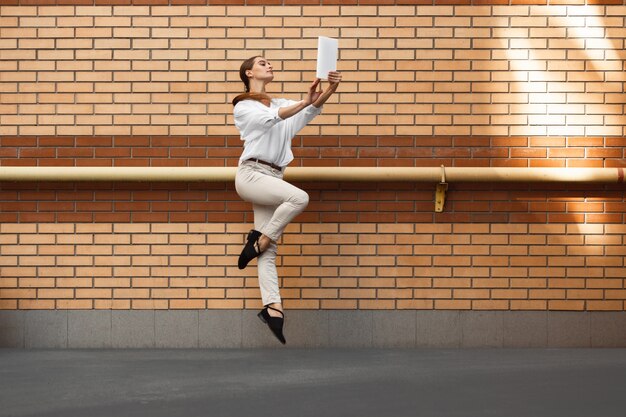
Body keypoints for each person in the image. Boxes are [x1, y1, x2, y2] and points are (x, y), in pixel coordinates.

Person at [232, 56, 342, 344]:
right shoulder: (244, 106)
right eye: (263, 63)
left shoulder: (280, 102)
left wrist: (328, 90)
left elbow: (308, 111)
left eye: (270, 62)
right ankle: (259, 240)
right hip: (252, 175)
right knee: (299, 197)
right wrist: (304, 102)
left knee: (269, 255)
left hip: (273, 179)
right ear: (249, 72)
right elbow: (275, 118)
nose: (270, 65)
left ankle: (273, 308)